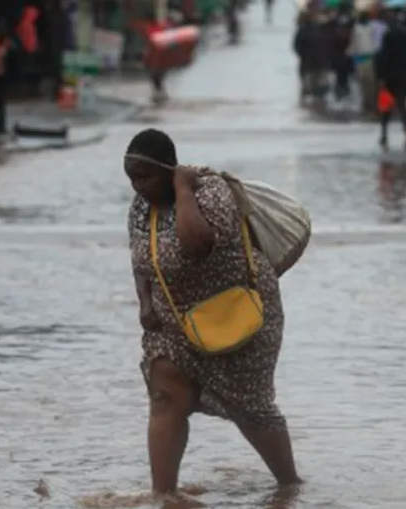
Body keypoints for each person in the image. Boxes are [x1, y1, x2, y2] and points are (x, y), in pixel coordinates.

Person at [124, 128, 302, 497]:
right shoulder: (141, 210)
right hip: (174, 322)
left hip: (238, 316)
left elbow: (197, 243)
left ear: (168, 169)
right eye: (131, 178)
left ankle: (290, 488)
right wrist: (145, 305)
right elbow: (141, 262)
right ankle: (164, 497)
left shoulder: (210, 191)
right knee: (165, 395)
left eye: (144, 176)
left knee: (251, 408)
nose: (136, 186)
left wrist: (184, 189)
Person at [374, 9, 406, 148]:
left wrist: (381, 76)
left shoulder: (388, 36)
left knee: (386, 106)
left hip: (389, 77)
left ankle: (384, 133)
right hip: (402, 75)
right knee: (402, 105)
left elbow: (383, 57)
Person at [293, 9, 328, 104]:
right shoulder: (305, 31)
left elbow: (296, 46)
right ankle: (313, 103)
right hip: (310, 63)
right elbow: (297, 46)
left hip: (316, 63)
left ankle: (316, 103)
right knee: (310, 86)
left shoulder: (320, 30)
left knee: (317, 86)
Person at [348, 11, 377, 115]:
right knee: (362, 81)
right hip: (360, 57)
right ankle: (366, 101)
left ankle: (371, 101)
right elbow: (354, 44)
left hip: (369, 57)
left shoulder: (370, 28)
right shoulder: (356, 29)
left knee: (370, 82)